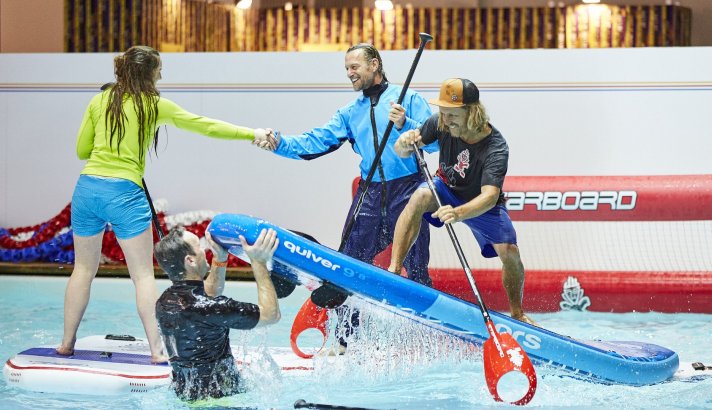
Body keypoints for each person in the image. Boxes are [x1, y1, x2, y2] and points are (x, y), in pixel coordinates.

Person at [57, 45, 271, 361]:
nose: (162, 74)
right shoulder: (154, 105)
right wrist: (251, 133)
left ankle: (65, 344)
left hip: (87, 190)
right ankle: (157, 352)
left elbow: (81, 151)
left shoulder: (99, 100)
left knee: (83, 269)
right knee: (142, 276)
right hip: (125, 193)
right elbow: (205, 125)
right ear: (148, 73)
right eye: (159, 69)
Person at [255, 43, 437, 352]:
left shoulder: (410, 100)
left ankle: (423, 339)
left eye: (355, 67)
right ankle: (345, 338)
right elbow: (315, 142)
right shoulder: (350, 113)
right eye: (347, 69)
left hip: (408, 190)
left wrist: (407, 124)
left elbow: (435, 145)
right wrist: (280, 144)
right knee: (348, 268)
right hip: (370, 194)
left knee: (416, 268)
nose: (350, 73)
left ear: (374, 65)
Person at [388, 78, 535, 326]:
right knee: (421, 194)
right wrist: (402, 144)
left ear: (472, 112)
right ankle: (393, 271)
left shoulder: (496, 147)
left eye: (452, 115)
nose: (445, 121)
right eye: (443, 113)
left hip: (481, 204)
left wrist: (458, 213)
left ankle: (518, 314)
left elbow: (489, 196)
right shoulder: (439, 123)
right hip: (445, 188)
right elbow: (405, 150)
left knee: (510, 254)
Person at [154, 226, 280, 401]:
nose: (205, 250)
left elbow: (209, 293)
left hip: (185, 396)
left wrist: (219, 258)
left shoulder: (164, 302)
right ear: (190, 260)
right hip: (222, 401)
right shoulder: (209, 308)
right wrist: (259, 262)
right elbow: (270, 314)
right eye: (199, 246)